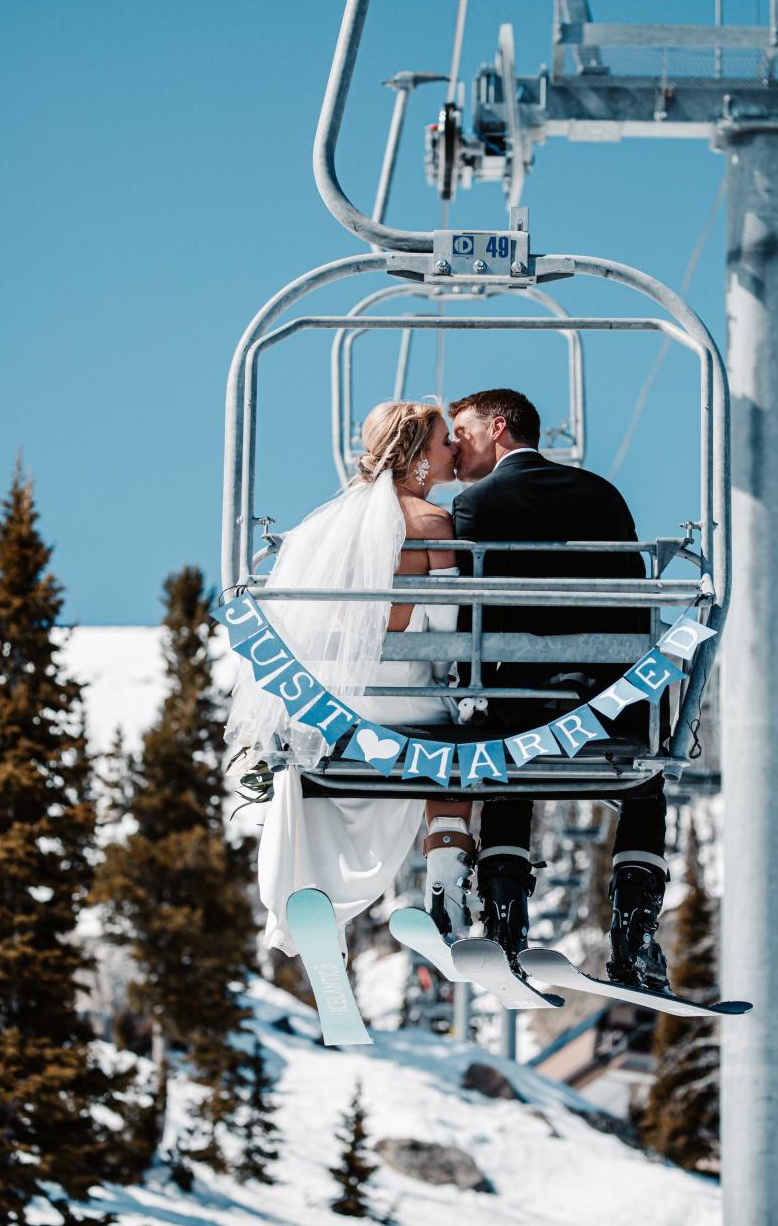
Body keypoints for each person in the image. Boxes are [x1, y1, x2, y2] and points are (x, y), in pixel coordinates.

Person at [225, 400, 474, 958]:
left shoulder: (325, 526)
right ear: (415, 457)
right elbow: (447, 632)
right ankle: (448, 899)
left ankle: (315, 906)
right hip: (410, 712)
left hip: (336, 712)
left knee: (331, 784)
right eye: (442, 442)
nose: (452, 449)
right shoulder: (433, 524)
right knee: (451, 760)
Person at [450, 387, 670, 992]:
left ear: (497, 428)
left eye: (462, 430)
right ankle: (633, 938)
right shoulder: (601, 493)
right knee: (644, 786)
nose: (454, 443)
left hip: (522, 703)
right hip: (611, 699)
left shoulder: (476, 504)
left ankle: (504, 922)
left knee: (506, 764)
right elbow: (630, 598)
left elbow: (472, 615)